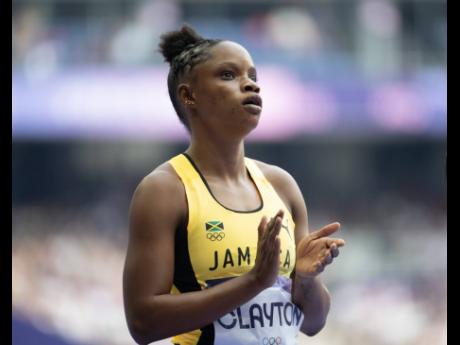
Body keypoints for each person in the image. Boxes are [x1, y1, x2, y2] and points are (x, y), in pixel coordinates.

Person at [123, 24, 345, 345]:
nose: (251, 86)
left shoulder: (281, 185)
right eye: (229, 75)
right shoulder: (164, 191)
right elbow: (143, 323)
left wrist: (307, 280)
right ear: (189, 95)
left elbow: (312, 323)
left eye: (253, 77)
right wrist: (254, 281)